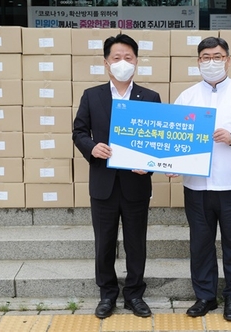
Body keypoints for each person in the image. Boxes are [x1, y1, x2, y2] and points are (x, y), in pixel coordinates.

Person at [171, 37, 231, 322]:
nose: (211, 62)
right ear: (198, 61)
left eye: (217, 56)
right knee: (200, 243)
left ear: (228, 60)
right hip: (197, 186)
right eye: (205, 57)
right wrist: (170, 163)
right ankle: (205, 296)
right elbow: (174, 138)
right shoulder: (187, 97)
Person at [72, 33, 161, 319]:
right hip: (104, 184)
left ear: (137, 62)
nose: (123, 63)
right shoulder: (92, 95)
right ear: (106, 63)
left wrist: (150, 164)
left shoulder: (149, 97)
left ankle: (135, 294)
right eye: (116, 58)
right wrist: (91, 147)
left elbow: (157, 140)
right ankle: (107, 294)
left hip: (136, 183)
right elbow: (79, 132)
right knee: (105, 243)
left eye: (128, 58)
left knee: (136, 243)